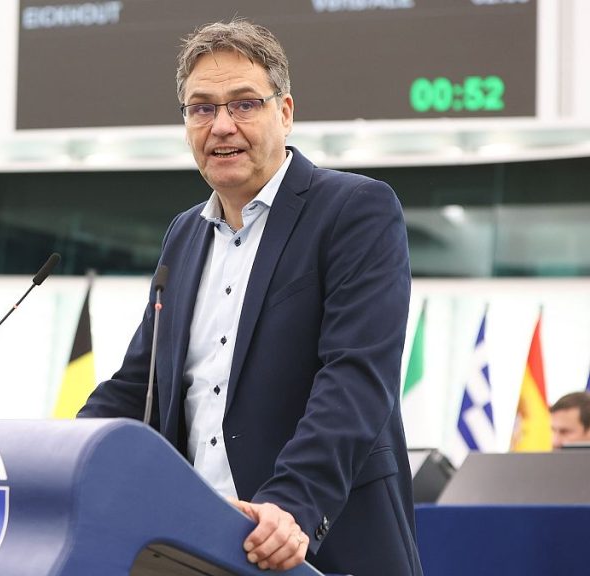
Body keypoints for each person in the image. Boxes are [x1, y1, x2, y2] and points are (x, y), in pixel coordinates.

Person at [79, 20, 421, 576]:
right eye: (202, 108)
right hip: (189, 546)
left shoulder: (356, 209)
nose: (221, 126)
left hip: (312, 544)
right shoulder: (183, 235)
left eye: (243, 104)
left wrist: (290, 505)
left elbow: (356, 377)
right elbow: (139, 386)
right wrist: (63, 454)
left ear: (284, 112)